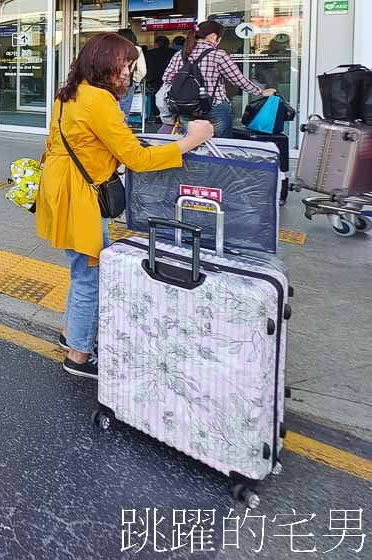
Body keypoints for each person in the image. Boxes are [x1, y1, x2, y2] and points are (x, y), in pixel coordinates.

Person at [36, 34, 214, 378]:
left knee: (80, 268)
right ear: (107, 64)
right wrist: (190, 141)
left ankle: (71, 333)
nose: (130, 71)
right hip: (82, 196)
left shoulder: (68, 94)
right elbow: (136, 157)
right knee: (90, 274)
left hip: (62, 189)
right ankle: (79, 356)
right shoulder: (100, 100)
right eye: (126, 63)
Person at [160, 19, 275, 137]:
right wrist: (260, 91)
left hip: (186, 106)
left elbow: (167, 78)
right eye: (219, 37)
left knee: (191, 143)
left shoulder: (180, 54)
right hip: (214, 106)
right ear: (213, 36)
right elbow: (238, 79)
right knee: (221, 145)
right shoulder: (218, 54)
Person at [116, 28, 146, 117]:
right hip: (127, 81)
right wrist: (136, 81)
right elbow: (142, 70)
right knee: (124, 109)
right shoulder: (136, 49)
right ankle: (122, 128)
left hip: (111, 80)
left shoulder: (114, 49)